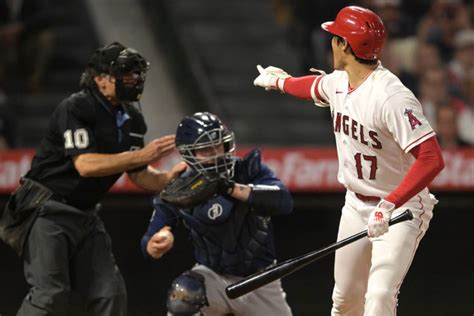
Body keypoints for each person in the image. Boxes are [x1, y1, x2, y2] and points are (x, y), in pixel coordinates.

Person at [253, 6, 445, 315]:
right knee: (344, 301)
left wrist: (391, 203)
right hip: (356, 203)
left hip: (401, 208)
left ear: (345, 45)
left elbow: (432, 158)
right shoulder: (339, 81)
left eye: (335, 37)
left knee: (380, 295)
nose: (330, 41)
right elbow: (314, 86)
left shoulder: (391, 97)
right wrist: (280, 82)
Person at [0, 42, 186, 316]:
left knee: (109, 291)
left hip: (85, 214)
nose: (134, 80)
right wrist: (143, 156)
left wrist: (168, 178)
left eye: (136, 74)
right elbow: (85, 165)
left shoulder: (132, 119)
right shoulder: (77, 107)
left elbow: (140, 176)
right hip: (46, 208)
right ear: (101, 79)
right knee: (50, 295)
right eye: (125, 74)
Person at [141, 112, 294, 315]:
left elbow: (284, 202)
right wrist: (156, 243)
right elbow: (149, 242)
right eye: (206, 149)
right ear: (189, 154)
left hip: (260, 279)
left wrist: (230, 188)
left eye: (218, 146)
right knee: (185, 293)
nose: (216, 154)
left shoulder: (248, 170)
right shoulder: (179, 188)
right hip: (212, 277)